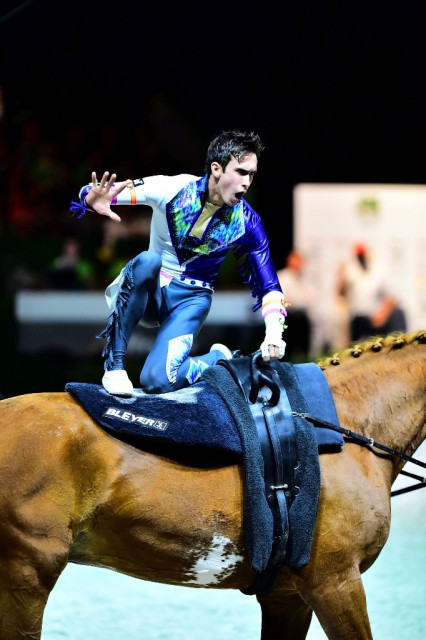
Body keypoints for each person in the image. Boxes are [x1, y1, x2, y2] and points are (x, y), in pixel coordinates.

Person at [71, 130, 287, 397]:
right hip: (151, 290)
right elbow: (95, 192)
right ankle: (115, 365)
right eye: (241, 172)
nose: (247, 182)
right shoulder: (171, 189)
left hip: (192, 300)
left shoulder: (247, 222)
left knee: (158, 381)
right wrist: (90, 199)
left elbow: (269, 286)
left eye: (252, 174)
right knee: (147, 260)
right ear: (216, 168)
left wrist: (274, 332)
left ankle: (216, 359)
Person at [336, 242, 407, 342]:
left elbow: (391, 297)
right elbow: (341, 293)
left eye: (362, 255)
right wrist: (340, 277)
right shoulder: (351, 270)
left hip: (375, 319)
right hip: (357, 319)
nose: (360, 258)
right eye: (358, 255)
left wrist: (382, 314)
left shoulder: (378, 270)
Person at [276, 249, 316, 361]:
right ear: (289, 261)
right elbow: (283, 299)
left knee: (304, 350)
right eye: (296, 261)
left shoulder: (304, 279)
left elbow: (309, 298)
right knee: (286, 351)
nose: (298, 264)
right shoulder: (283, 277)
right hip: (288, 318)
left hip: (301, 318)